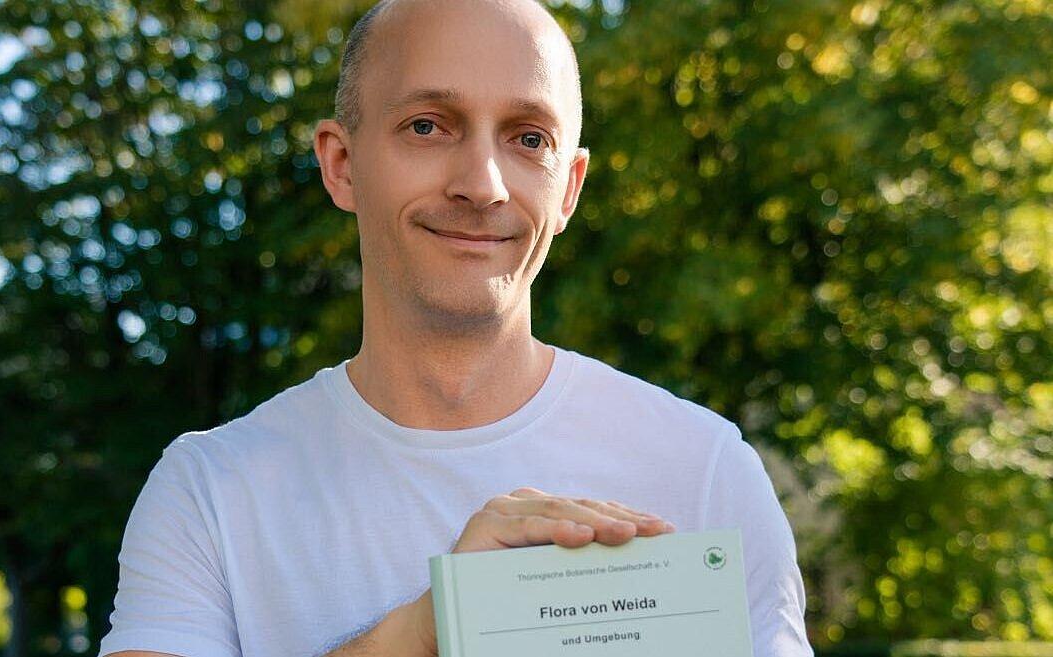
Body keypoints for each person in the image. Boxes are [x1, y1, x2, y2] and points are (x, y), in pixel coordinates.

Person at [97, 0, 813, 655]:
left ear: (568, 188)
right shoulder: (209, 493)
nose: (483, 184)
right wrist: (426, 629)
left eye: (529, 137)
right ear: (341, 164)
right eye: (428, 126)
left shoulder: (706, 470)